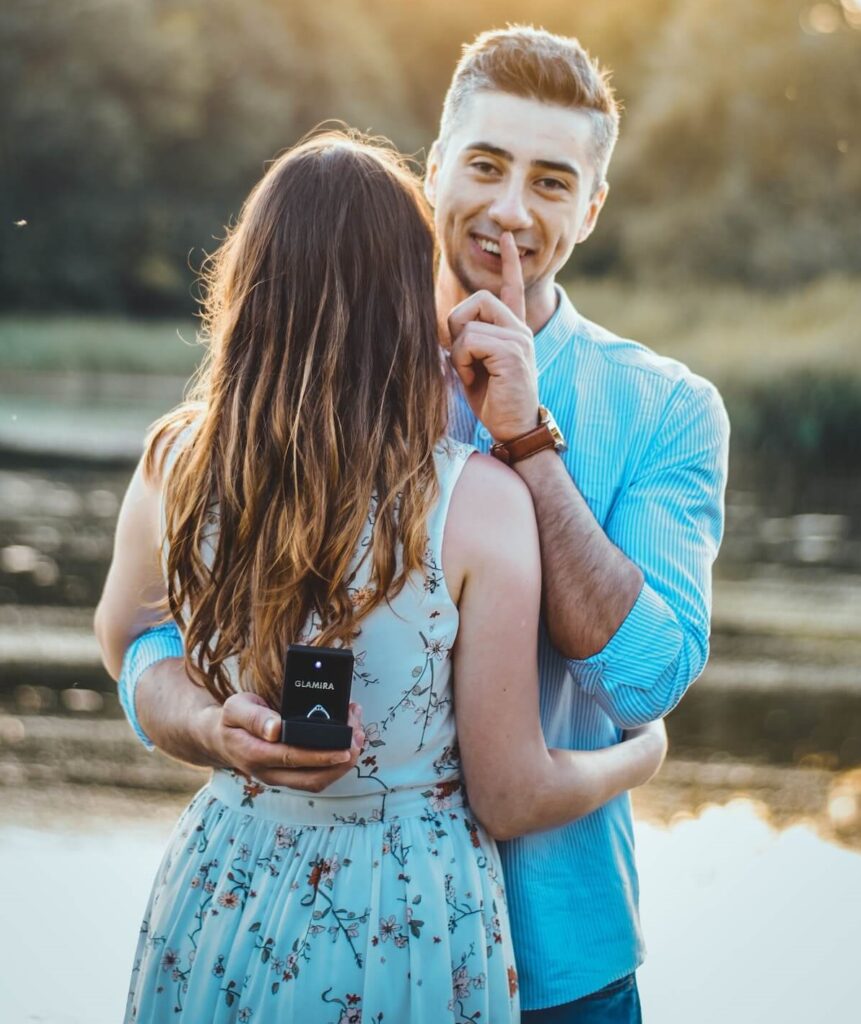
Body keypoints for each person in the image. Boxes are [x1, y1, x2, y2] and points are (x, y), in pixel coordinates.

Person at [108, 26, 729, 1022]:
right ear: (434, 167)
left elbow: (649, 678)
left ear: (593, 206)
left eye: (553, 182)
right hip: (312, 940)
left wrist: (528, 439)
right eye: (486, 165)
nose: (511, 209)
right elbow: (151, 630)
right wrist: (204, 722)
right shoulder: (306, 377)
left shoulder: (667, 407)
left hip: (566, 960)